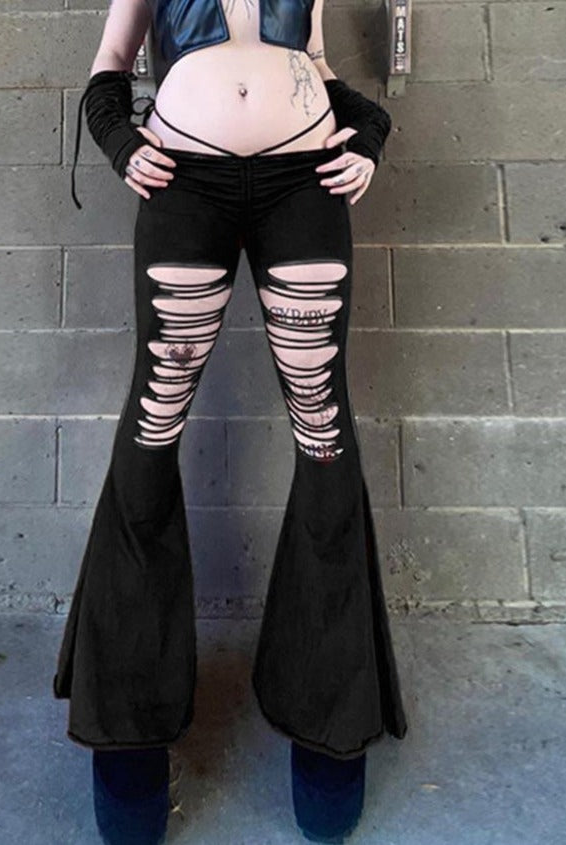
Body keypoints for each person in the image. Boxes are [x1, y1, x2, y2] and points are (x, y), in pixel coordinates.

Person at [55, 0, 408, 842]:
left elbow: (315, 65)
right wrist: (119, 140)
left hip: (303, 181)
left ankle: (329, 721)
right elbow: (111, 59)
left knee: (323, 431)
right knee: (152, 426)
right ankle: (128, 732)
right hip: (185, 179)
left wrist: (366, 133)